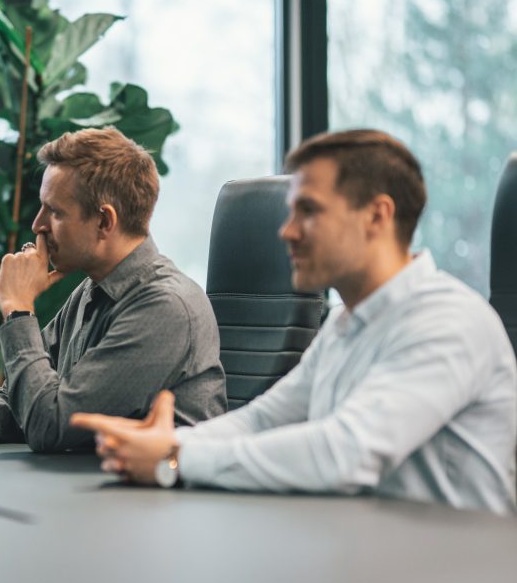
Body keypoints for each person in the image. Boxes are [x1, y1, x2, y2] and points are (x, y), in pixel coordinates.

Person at [72, 129, 517, 514]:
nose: (286, 230)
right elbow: (263, 420)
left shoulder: (449, 321)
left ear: (376, 216)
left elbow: (346, 452)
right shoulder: (347, 325)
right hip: (377, 562)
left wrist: (175, 459)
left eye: (309, 210)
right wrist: (169, 444)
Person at [0, 127, 226, 454]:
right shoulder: (92, 290)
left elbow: (50, 424)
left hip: (158, 510)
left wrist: (18, 309)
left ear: (104, 220)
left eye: (53, 212)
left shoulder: (165, 308)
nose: (37, 225)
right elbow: (23, 396)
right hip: (97, 499)